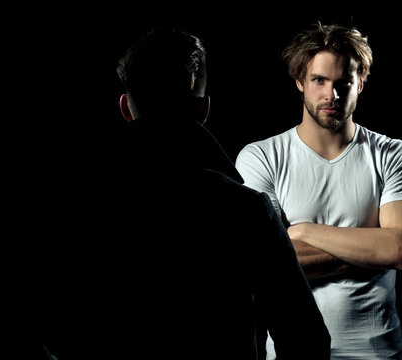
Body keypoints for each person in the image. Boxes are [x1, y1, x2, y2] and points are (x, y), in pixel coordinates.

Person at [44, 26, 330, 360]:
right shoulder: (245, 209)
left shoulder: (75, 206)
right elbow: (306, 340)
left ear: (126, 108)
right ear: (203, 110)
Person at [235, 22, 402, 359]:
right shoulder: (261, 157)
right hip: (294, 354)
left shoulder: (393, 154)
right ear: (299, 82)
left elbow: (401, 248)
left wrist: (301, 232)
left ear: (360, 84)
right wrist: (371, 247)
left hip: (380, 353)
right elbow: (257, 264)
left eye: (344, 83)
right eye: (319, 81)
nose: (331, 95)